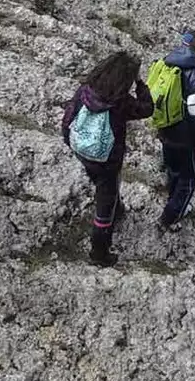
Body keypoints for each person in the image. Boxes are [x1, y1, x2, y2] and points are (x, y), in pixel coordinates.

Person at [60, 51, 153, 267]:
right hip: (107, 160)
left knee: (104, 188)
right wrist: (140, 84)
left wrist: (70, 142)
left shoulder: (85, 91)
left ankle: (117, 208)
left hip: (82, 151)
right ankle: (99, 253)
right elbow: (147, 109)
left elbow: (69, 118)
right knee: (105, 200)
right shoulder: (121, 103)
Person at [152, 31, 195, 232]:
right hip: (185, 134)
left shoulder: (170, 61)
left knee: (173, 168)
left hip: (165, 126)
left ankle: (172, 200)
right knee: (190, 176)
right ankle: (170, 217)